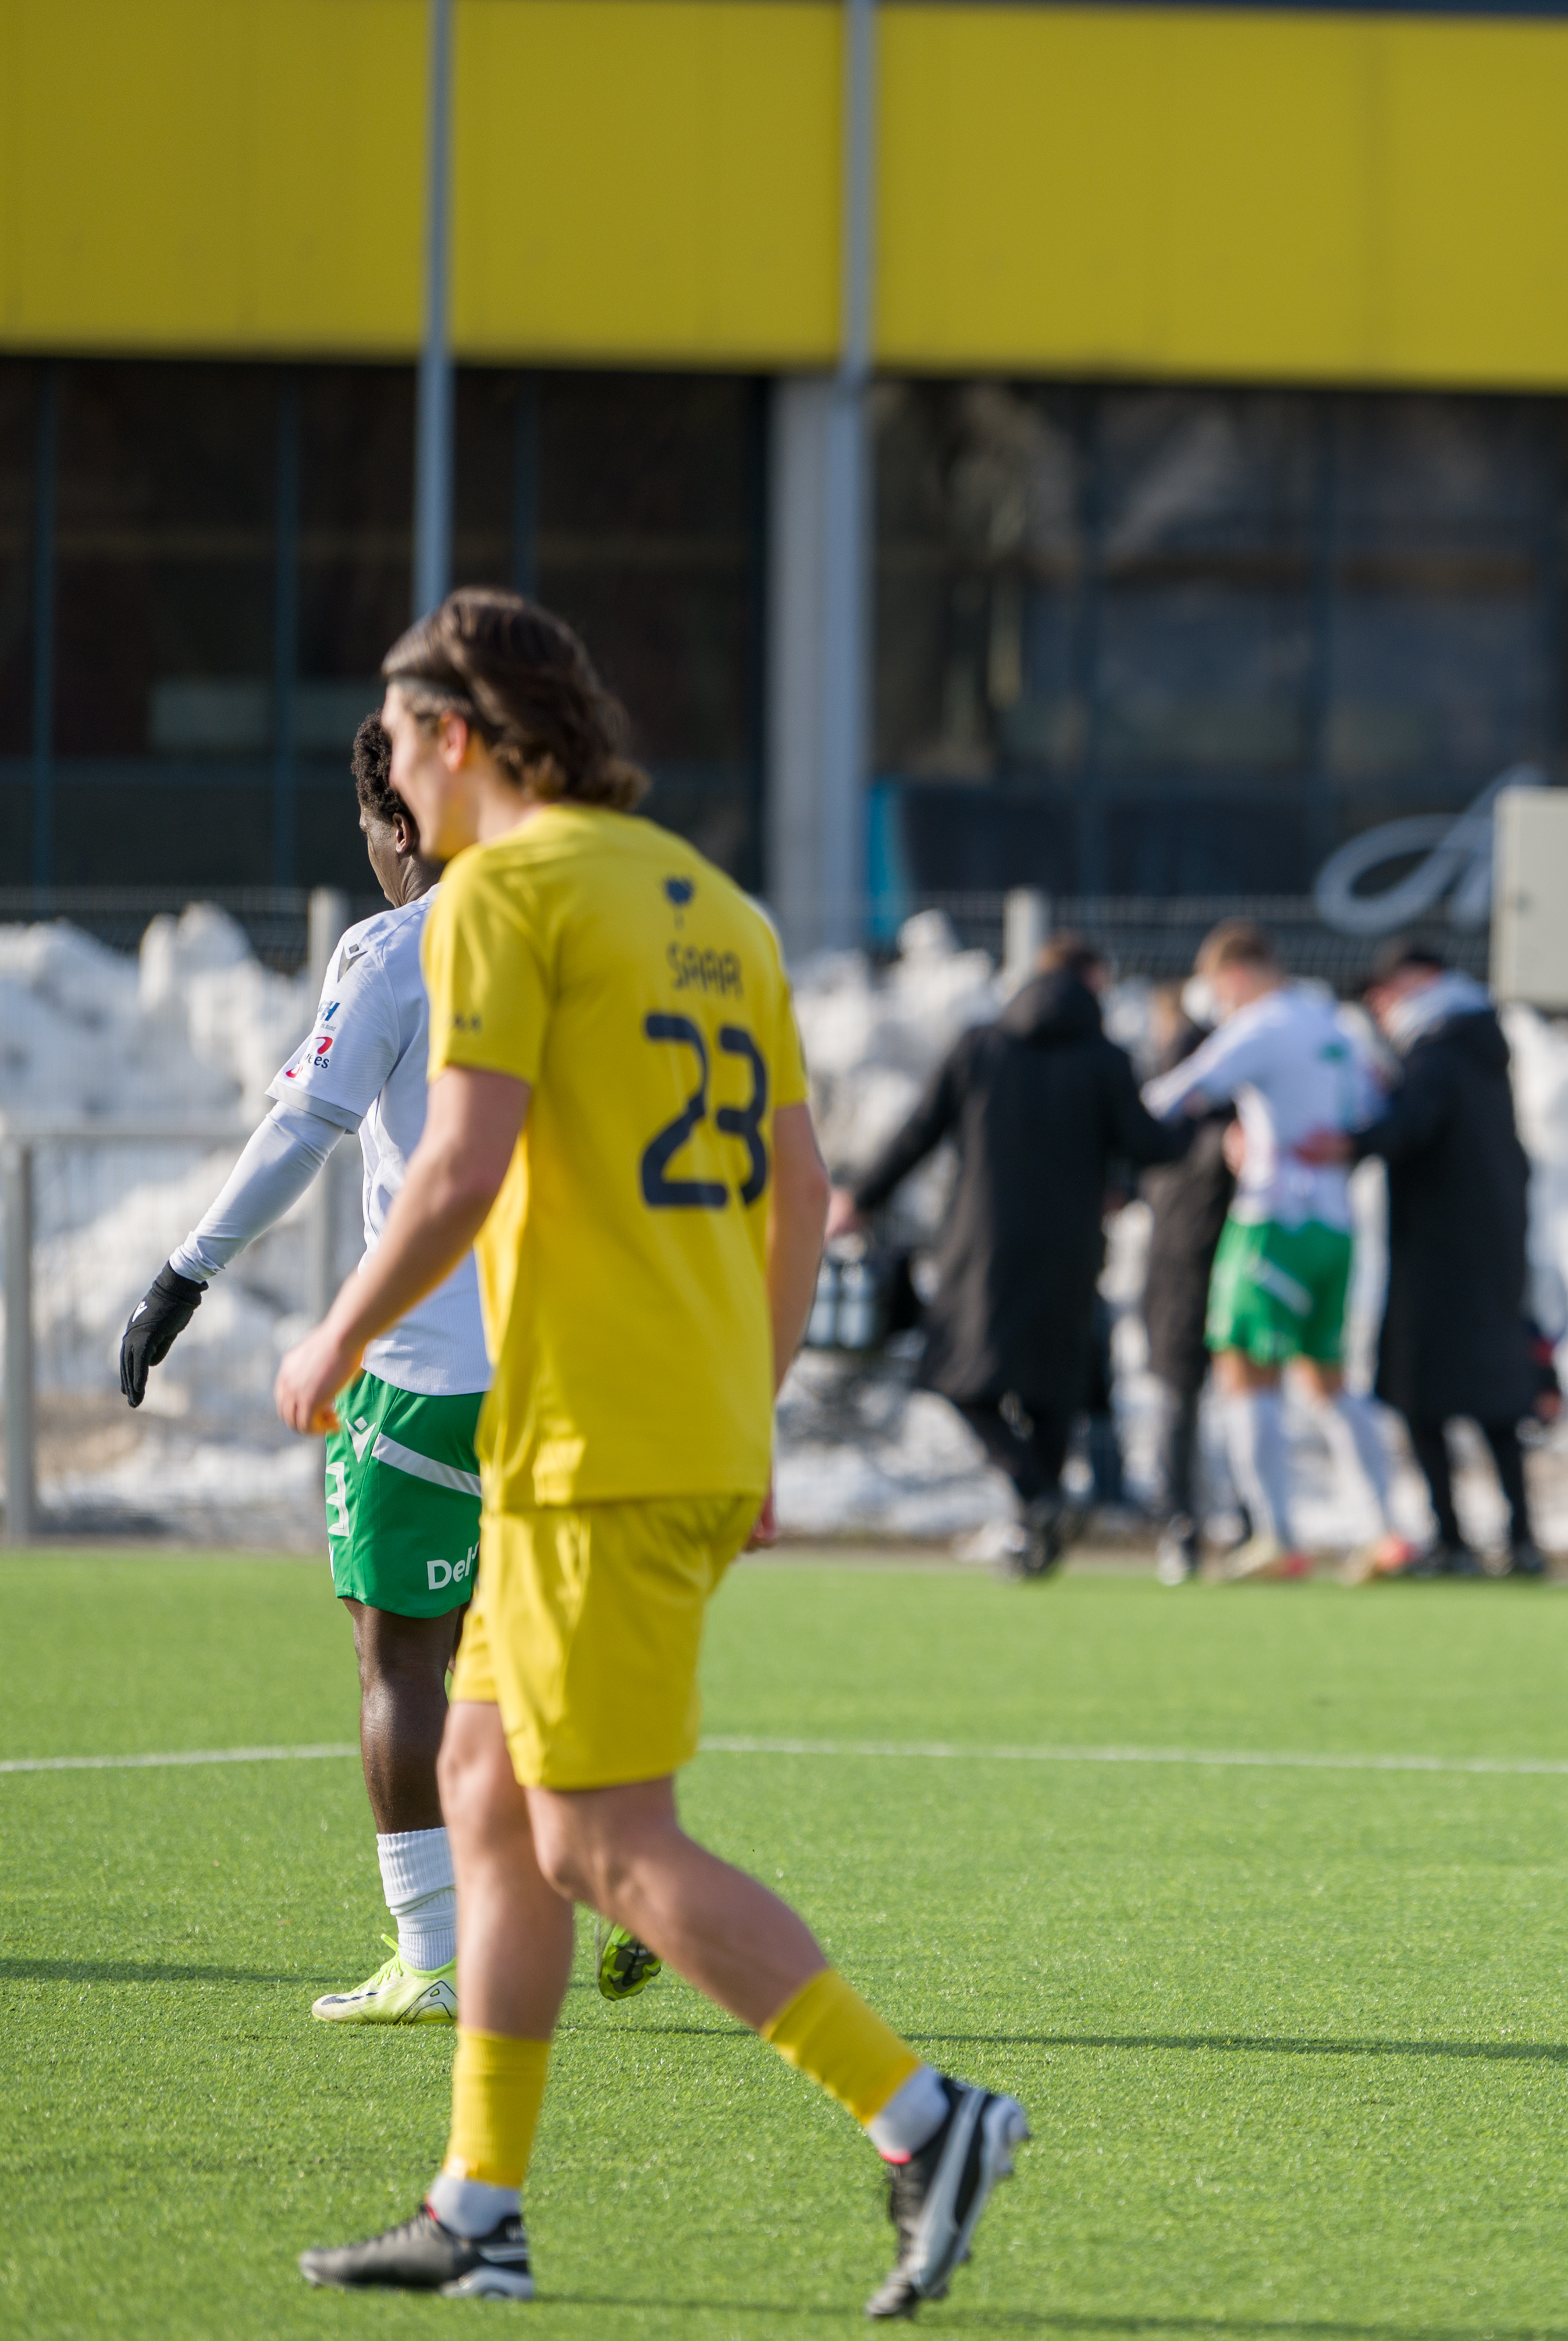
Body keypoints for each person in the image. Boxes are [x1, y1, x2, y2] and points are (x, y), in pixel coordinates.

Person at [282, 588, 1024, 2316]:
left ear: (459, 735)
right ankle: (480, 2205)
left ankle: (926, 2120)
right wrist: (751, 1419)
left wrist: (332, 1328)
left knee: (603, 1841)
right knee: (484, 1792)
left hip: (592, 1437)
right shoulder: (713, 903)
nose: (391, 780)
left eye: (396, 743)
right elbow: (808, 1194)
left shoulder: (506, 900)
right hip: (672, 1417)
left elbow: (457, 1168)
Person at [114, 717, 661, 2025]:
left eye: (368, 828)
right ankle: (622, 1872)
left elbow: (305, 1122)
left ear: (401, 825)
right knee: (519, 1649)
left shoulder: (400, 944)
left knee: (398, 1655)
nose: (367, 852)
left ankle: (431, 1952)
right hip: (563, 1360)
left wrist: (183, 1273)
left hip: (425, 1367)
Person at [833, 934, 1188, 1578]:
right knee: (1053, 1386)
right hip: (1071, 1245)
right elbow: (1148, 1143)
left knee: (957, 1373)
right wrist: (1200, 1116)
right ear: (1092, 980)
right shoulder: (1103, 1059)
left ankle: (1036, 1500)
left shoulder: (980, 1046)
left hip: (981, 1242)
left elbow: (919, 1130)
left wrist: (859, 1197)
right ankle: (1041, 1520)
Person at [1143, 922, 1406, 1581]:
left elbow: (1177, 1094)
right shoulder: (1336, 1025)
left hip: (1274, 1219)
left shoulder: (1260, 1025)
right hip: (1336, 1224)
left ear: (1235, 975)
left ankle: (1276, 1537)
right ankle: (1385, 1532)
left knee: (1242, 1366)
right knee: (1328, 1378)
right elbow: (1371, 1106)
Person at [1339, 936, 1546, 1579]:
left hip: (1435, 1251)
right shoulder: (1479, 1045)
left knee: (1421, 1393)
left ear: (1419, 979)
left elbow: (1406, 1131)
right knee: (1497, 1401)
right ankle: (1521, 1536)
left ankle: (1451, 1537)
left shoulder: (1435, 1050)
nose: (1378, 1004)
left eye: (1384, 989)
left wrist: (1347, 1141)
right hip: (1492, 1248)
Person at [1134, 979, 1243, 1579]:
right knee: (1222, 1396)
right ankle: (1219, 1522)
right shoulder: (1229, 1106)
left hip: (1184, 1261)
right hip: (1206, 1258)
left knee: (1182, 1397)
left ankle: (1181, 1524)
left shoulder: (1179, 1104)